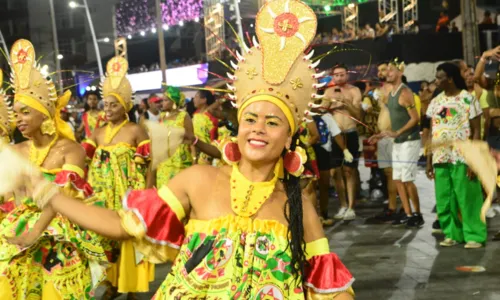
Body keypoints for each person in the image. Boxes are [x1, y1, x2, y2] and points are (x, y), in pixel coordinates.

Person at [17, 1, 355, 298]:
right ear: (238, 125)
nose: (258, 129)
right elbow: (123, 225)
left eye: (272, 122)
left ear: (289, 136)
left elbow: (332, 288)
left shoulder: (297, 205)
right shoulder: (198, 180)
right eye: (250, 118)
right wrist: (51, 195)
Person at [0, 39, 107, 299]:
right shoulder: (13, 151)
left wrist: (35, 232)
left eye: (25, 113)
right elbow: (6, 197)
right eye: (16, 113)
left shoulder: (72, 150)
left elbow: (63, 197)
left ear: (44, 114)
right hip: (19, 225)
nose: (19, 120)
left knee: (56, 285)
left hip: (59, 227)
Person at [82, 56, 154, 299]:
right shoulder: (98, 132)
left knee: (129, 239)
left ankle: (130, 287)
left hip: (128, 197)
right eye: (105, 104)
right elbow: (83, 156)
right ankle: (112, 285)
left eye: (113, 105)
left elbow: (150, 163)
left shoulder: (135, 130)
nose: (108, 110)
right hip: (103, 195)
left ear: (125, 106)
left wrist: (148, 194)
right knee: (106, 240)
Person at [426, 62, 486, 248]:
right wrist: (428, 160)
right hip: (440, 157)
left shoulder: (468, 99)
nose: (436, 81)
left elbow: (477, 132)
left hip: (462, 157)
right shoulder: (436, 101)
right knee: (444, 199)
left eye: (439, 78)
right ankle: (452, 233)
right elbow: (431, 131)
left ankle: (474, 235)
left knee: (468, 198)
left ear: (450, 79)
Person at [370, 59, 423, 228]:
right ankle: (407, 214)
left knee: (407, 179)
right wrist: (381, 135)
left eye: (391, 70)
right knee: (398, 178)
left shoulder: (404, 93)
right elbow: (394, 121)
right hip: (398, 141)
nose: (388, 73)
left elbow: (415, 119)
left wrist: (397, 133)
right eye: (387, 71)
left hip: (408, 140)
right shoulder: (391, 94)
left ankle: (418, 213)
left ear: (400, 72)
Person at [324, 64, 362, 221]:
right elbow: (322, 111)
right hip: (334, 135)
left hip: (350, 133)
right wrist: (331, 105)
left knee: (349, 170)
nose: (339, 77)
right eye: (336, 75)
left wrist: (347, 103)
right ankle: (343, 205)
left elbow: (358, 115)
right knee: (335, 172)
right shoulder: (328, 92)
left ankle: (352, 207)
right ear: (333, 76)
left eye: (342, 74)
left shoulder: (354, 91)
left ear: (347, 75)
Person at [156, 85, 194, 187]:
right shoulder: (162, 117)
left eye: (165, 100)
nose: (162, 103)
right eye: (162, 100)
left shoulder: (184, 116)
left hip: (180, 160)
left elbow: (192, 139)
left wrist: (194, 160)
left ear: (173, 102)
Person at [192, 90, 219, 165]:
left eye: (196, 96)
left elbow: (213, 138)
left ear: (204, 100)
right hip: (194, 151)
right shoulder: (195, 114)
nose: (194, 99)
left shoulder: (211, 116)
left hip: (206, 154)